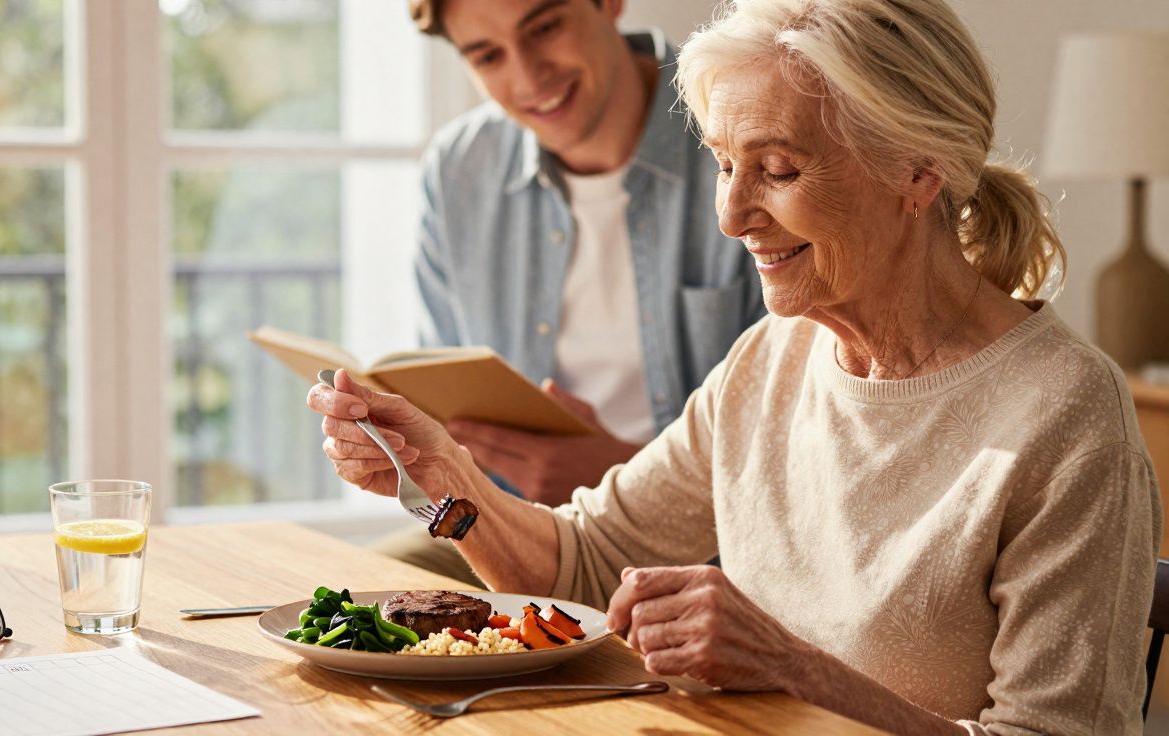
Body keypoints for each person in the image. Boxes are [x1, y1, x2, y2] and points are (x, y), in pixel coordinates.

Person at [311, 0, 1164, 731]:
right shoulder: (774, 355)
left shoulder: (1064, 414)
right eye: (724, 165)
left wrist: (795, 670)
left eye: (778, 169)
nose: (730, 214)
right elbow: (586, 564)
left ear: (918, 169)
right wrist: (444, 476)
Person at [375, 0, 764, 585]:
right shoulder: (460, 171)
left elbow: (804, 453)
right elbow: (445, 399)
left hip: (712, 548)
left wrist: (627, 476)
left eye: (545, 27)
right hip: (507, 521)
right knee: (359, 594)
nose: (529, 77)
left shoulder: (742, 137)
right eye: (488, 56)